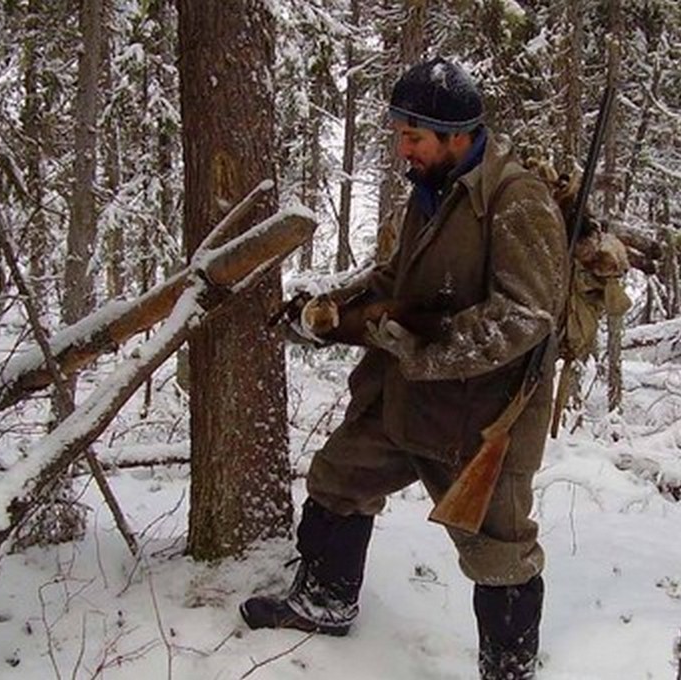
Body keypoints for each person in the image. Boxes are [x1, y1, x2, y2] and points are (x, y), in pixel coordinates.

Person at [241, 56, 569, 680]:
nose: (402, 147)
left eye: (412, 136)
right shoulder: (433, 192)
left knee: (498, 550)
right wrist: (334, 310)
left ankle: (509, 668)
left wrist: (424, 349)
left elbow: (526, 316)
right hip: (403, 402)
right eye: (400, 133)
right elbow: (398, 277)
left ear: (458, 136)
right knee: (338, 478)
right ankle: (325, 600)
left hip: (478, 420)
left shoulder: (515, 200)